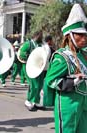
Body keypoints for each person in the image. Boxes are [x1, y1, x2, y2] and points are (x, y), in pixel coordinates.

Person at [44, 4, 87, 133]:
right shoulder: (62, 57)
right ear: (70, 36)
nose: (84, 38)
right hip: (68, 104)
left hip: (84, 103)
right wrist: (72, 81)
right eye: (80, 35)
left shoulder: (83, 55)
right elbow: (50, 81)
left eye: (85, 35)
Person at [18, 30, 46, 111]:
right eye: (40, 36)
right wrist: (29, 57)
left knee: (40, 85)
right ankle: (28, 101)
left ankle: (36, 101)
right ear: (35, 36)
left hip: (39, 67)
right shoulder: (28, 44)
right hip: (29, 67)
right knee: (34, 85)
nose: (41, 37)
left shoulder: (41, 44)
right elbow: (21, 53)